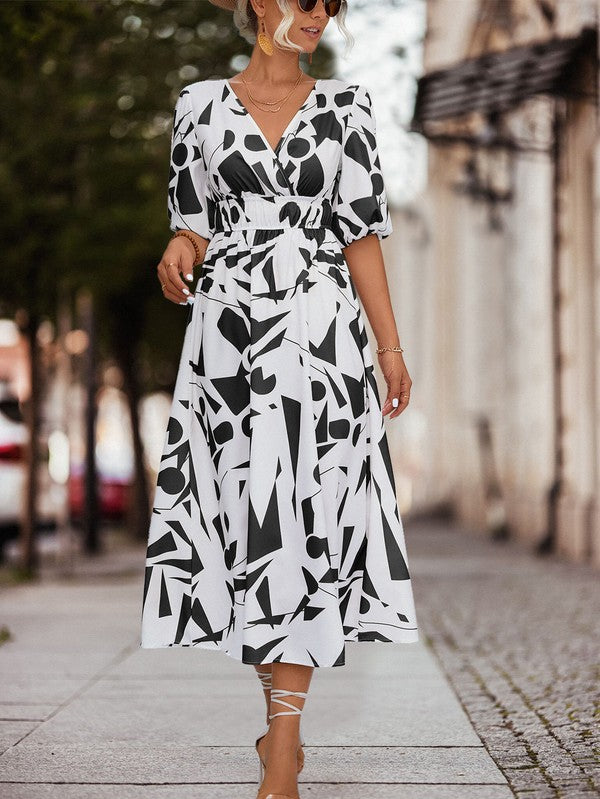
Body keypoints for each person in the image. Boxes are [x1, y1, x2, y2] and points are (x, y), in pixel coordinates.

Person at [140, 1, 419, 797]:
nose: (316, 20)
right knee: (253, 531)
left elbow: (359, 233)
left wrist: (389, 347)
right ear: (261, 0)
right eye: (305, 2)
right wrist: (178, 246)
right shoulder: (198, 106)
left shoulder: (347, 108)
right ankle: (281, 735)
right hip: (228, 342)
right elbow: (191, 220)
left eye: (329, 9)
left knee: (305, 525)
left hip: (322, 338)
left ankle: (286, 747)